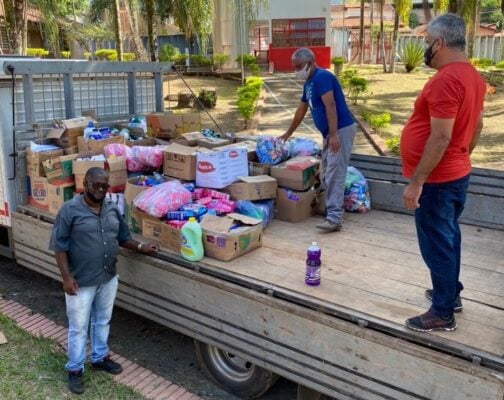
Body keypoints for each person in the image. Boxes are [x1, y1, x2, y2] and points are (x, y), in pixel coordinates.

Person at [400, 13, 486, 332]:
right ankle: (450, 294)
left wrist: (417, 181)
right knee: (449, 237)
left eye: (426, 43)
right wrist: (464, 156)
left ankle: (442, 312)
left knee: (437, 242)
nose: (425, 48)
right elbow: (477, 125)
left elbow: (440, 136)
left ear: (438, 43)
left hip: (437, 181)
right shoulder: (472, 76)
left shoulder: (446, 79)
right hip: (455, 173)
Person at [49, 167, 159, 394]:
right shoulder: (69, 210)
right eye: (96, 185)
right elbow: (59, 247)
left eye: (104, 186)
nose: (100, 189)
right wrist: (66, 278)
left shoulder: (111, 208)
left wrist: (141, 247)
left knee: (102, 321)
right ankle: (75, 370)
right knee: (78, 328)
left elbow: (123, 237)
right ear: (85, 184)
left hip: (108, 278)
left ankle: (99, 358)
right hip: (81, 281)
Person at [280, 47, 356, 232]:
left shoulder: (322, 77)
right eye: (294, 67)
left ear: (310, 63)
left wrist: (334, 135)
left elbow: (330, 105)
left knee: (335, 173)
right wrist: (288, 133)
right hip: (330, 133)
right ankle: (330, 210)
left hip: (340, 130)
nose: (296, 70)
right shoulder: (309, 83)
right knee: (326, 172)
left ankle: (334, 218)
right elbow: (301, 110)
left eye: (298, 66)